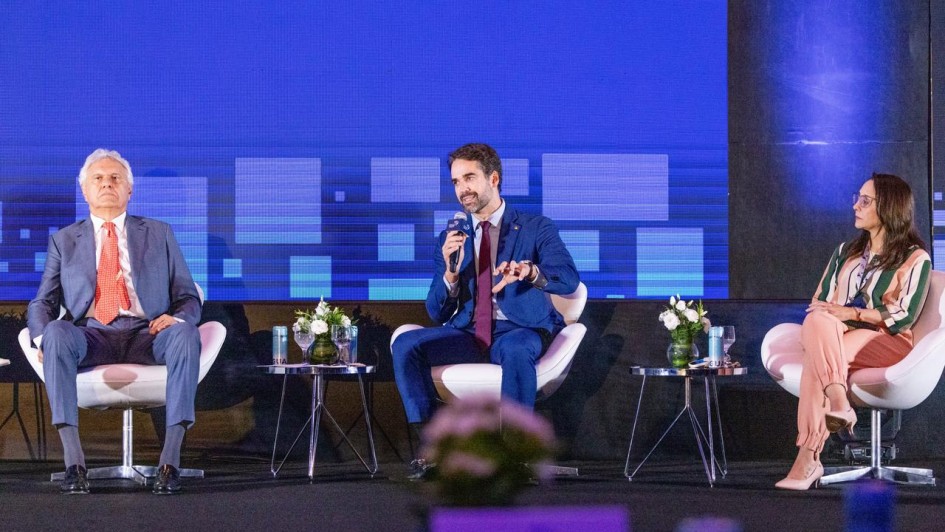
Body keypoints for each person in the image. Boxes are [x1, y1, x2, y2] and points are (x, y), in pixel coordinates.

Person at [391, 143, 580, 479]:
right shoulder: (450, 237)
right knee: (406, 345)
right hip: (469, 332)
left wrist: (531, 272)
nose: (462, 189)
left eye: (469, 178)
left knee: (518, 350)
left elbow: (567, 280)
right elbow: (436, 310)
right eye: (455, 182)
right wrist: (450, 273)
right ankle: (433, 450)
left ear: (494, 178)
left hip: (517, 329)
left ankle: (515, 455)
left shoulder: (536, 227)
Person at [27, 149, 202, 495]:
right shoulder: (63, 241)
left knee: (186, 334)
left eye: (115, 178)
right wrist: (40, 338)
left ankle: (170, 462)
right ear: (85, 191)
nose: (107, 183)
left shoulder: (159, 233)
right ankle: (74, 464)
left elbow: (188, 296)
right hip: (92, 334)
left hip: (148, 334)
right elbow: (42, 302)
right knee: (57, 332)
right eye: (98, 179)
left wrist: (176, 317)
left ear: (129, 190)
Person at [775, 173, 932, 490]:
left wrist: (854, 313)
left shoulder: (916, 258)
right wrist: (837, 315)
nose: (855, 206)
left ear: (889, 207)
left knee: (818, 362)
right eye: (856, 198)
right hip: (843, 335)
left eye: (865, 200)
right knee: (817, 322)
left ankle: (808, 458)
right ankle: (838, 401)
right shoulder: (846, 252)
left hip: (890, 339)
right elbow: (821, 304)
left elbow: (903, 315)